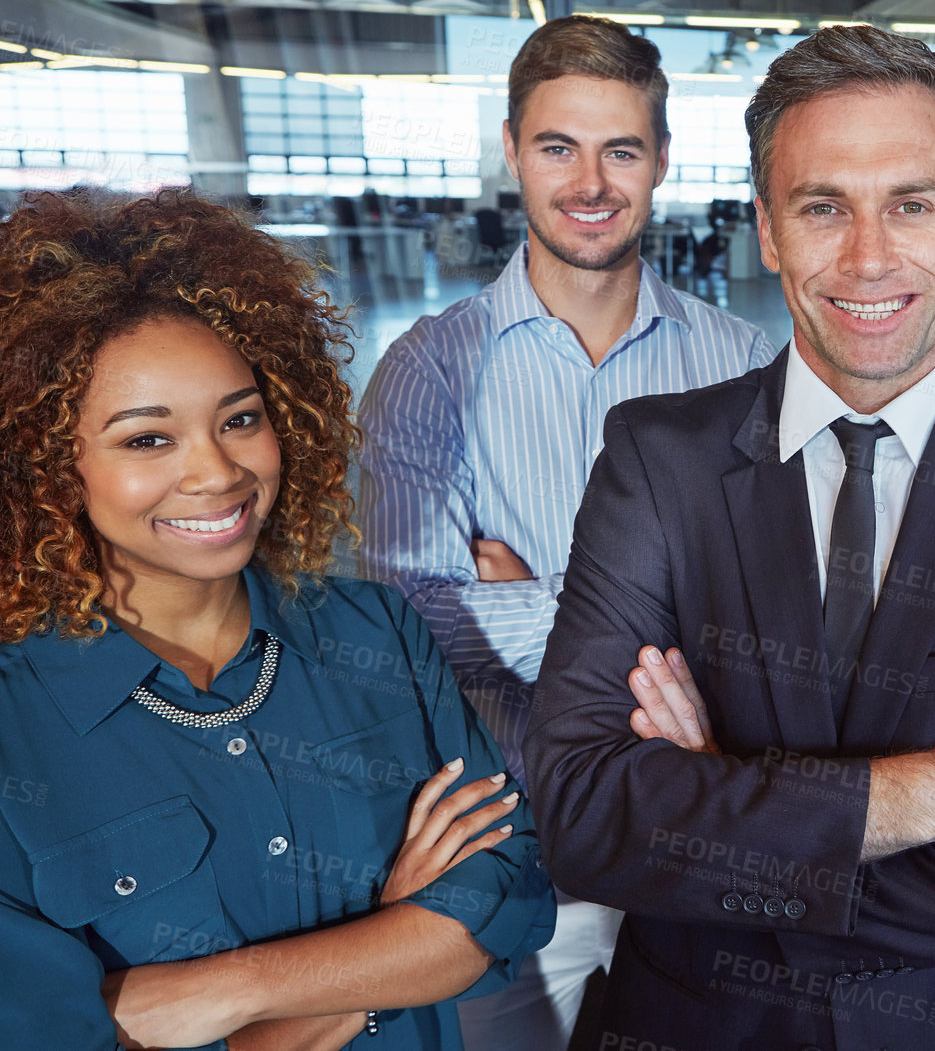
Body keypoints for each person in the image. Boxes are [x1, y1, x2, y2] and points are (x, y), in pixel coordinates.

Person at [522, 24, 935, 1050]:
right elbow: (584, 813)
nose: (870, 257)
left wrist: (725, 816)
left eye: (911, 204)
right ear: (770, 232)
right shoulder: (659, 461)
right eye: (823, 207)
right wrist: (923, 793)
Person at [0, 188, 554, 1051]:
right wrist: (381, 953)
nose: (217, 472)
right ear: (41, 465)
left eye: (240, 419)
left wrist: (221, 993)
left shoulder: (381, 637)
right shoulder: (17, 723)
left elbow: (500, 903)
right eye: (148, 439)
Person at [356, 15, 774, 1049]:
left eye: (620, 149)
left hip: (696, 822)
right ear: (513, 151)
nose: (590, 182)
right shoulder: (427, 370)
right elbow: (409, 627)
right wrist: (651, 603)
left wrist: (525, 590)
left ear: (662, 159)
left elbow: (769, 609)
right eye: (558, 147)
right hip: (512, 834)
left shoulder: (743, 363)